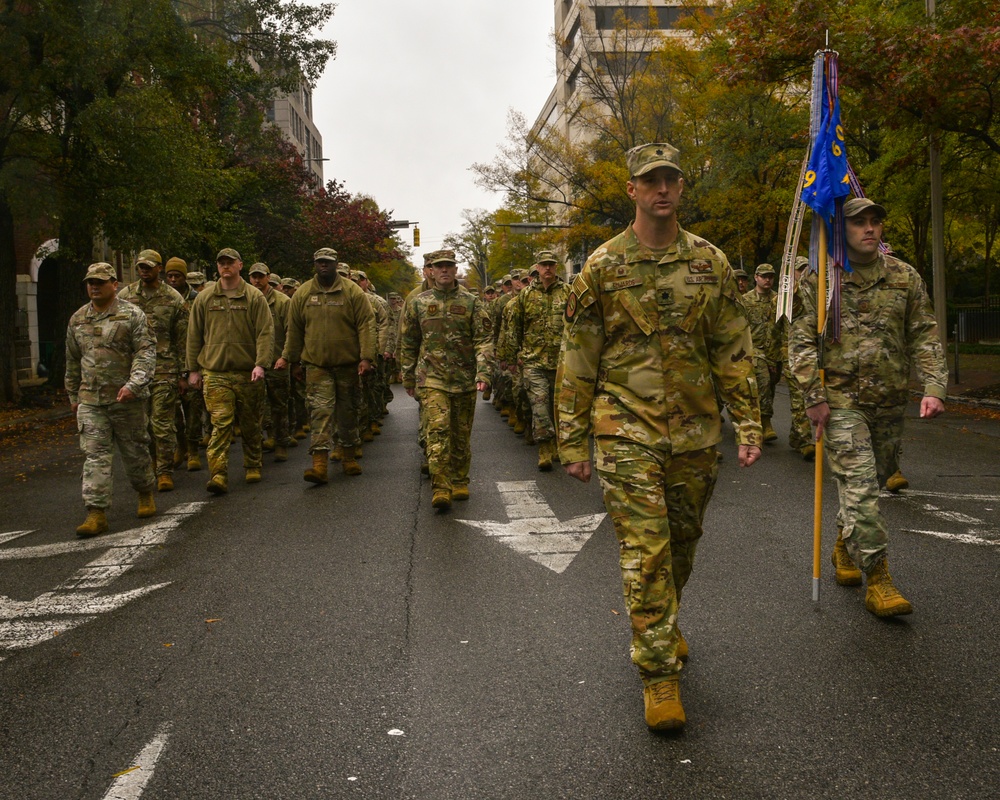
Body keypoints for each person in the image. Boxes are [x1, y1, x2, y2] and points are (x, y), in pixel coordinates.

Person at [556, 143, 762, 731]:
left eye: (671, 179)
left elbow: (731, 348)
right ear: (633, 191)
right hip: (625, 429)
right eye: (651, 181)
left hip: (696, 431)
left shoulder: (710, 264)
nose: (662, 189)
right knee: (646, 551)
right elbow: (576, 359)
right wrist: (572, 440)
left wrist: (748, 420)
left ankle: (663, 621)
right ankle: (658, 672)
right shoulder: (601, 267)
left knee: (682, 539)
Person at [789, 197, 948, 617]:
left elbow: (924, 334)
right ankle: (879, 578)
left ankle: (845, 544)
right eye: (860, 222)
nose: (870, 228)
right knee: (861, 490)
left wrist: (934, 386)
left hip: (889, 402)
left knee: (871, 484)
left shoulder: (904, 277)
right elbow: (801, 341)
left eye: (876, 221)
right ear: (843, 230)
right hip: (840, 402)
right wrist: (813, 397)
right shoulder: (821, 279)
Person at [65, 263, 157, 536]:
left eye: (100, 281)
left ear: (114, 284)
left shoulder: (132, 315)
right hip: (91, 400)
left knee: (135, 451)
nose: (94, 286)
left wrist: (134, 384)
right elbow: (72, 360)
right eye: (90, 281)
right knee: (95, 456)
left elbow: (145, 353)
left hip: (126, 399)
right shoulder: (78, 319)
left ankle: (144, 492)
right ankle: (96, 512)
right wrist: (73, 394)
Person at [399, 249, 492, 509]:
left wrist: (483, 372)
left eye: (449, 266)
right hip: (432, 379)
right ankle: (441, 487)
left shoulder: (472, 302)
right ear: (430, 270)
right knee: (437, 432)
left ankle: (460, 479)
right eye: (438, 266)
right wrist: (407, 375)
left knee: (461, 434)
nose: (444, 270)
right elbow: (408, 341)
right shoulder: (419, 302)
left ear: (455, 270)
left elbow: (483, 340)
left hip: (463, 379)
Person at [276, 247, 376, 483]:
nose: (324, 265)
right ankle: (319, 465)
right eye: (320, 262)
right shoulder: (303, 293)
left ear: (336, 264)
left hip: (347, 365)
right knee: (320, 412)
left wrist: (366, 357)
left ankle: (348, 457)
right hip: (316, 365)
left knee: (347, 411)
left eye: (328, 262)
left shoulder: (352, 291)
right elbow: (295, 329)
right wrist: (292, 361)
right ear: (314, 264)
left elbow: (366, 324)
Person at [186, 247, 274, 494]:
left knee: (250, 423)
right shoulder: (205, 298)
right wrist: (192, 369)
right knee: (221, 423)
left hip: (248, 372)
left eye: (230, 262)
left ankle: (253, 464)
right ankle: (218, 474)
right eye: (221, 262)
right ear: (217, 267)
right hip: (215, 372)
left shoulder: (253, 297)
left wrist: (260, 363)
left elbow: (265, 332)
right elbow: (193, 335)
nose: (225, 266)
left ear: (239, 265)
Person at [117, 249, 188, 491]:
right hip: (136, 372)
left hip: (165, 369)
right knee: (142, 424)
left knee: (162, 423)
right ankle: (153, 463)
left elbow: (182, 338)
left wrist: (184, 373)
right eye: (140, 267)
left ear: (160, 268)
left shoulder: (173, 298)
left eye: (149, 266)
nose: (144, 271)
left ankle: (165, 471)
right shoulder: (125, 297)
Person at [510, 250, 570, 470]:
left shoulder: (567, 292)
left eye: (551, 264)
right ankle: (544, 448)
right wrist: (512, 355)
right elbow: (515, 326)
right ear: (537, 267)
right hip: (533, 361)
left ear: (556, 267)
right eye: (544, 264)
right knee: (540, 406)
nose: (548, 268)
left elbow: (578, 325)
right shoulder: (526, 295)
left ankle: (557, 444)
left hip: (561, 362)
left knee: (559, 408)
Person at [247, 263, 293, 462]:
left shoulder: (282, 301)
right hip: (252, 361)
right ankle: (264, 440)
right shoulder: (246, 299)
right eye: (253, 277)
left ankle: (281, 442)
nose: (257, 280)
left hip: (276, 360)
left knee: (279, 404)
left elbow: (292, 331)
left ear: (268, 277)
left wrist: (287, 356)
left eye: (260, 276)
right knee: (253, 406)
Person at [743, 263, 781, 443]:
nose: (767, 279)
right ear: (756, 277)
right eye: (764, 276)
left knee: (770, 386)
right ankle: (765, 423)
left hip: (774, 350)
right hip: (755, 350)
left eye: (771, 276)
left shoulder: (778, 300)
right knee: (764, 382)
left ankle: (758, 419)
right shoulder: (746, 300)